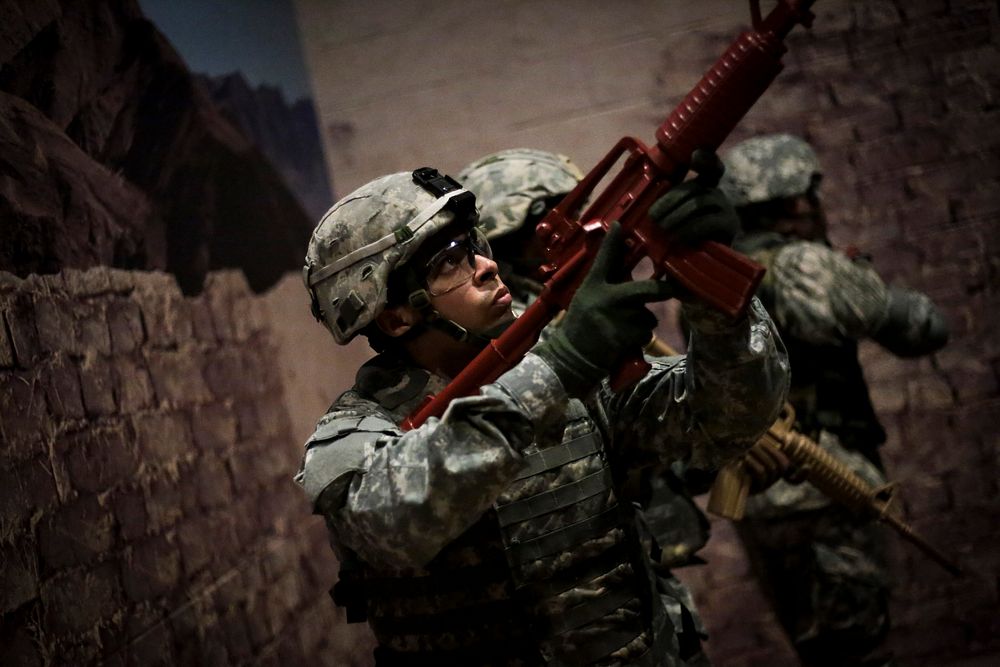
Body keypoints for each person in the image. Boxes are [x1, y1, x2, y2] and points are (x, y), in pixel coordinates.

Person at [296, 165, 789, 666]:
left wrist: (709, 286)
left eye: (474, 245)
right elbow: (394, 522)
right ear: (396, 316)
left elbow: (724, 417)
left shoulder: (565, 374)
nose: (486, 266)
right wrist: (559, 366)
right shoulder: (353, 435)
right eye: (449, 263)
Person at [458, 148, 715, 666]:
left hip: (640, 605)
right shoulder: (514, 354)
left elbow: (683, 441)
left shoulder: (584, 320)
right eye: (557, 228)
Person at [718, 133, 950, 667]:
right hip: (822, 479)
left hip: (759, 492)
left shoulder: (719, 271)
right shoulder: (805, 266)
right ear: (798, 203)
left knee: (818, 647)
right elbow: (925, 329)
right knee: (858, 649)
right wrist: (853, 276)